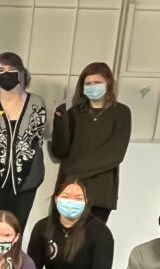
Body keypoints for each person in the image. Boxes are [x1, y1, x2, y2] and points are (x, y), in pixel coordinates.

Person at [51, 62, 131, 223]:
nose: (92, 87)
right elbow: (60, 151)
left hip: (101, 191)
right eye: (88, 83)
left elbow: (115, 154)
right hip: (69, 189)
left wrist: (74, 171)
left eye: (97, 82)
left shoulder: (121, 113)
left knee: (93, 240)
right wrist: (59, 123)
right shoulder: (73, 113)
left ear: (108, 83)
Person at [0, 52, 46, 233]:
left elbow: (37, 137)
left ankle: (12, 262)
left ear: (22, 72)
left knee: (15, 230)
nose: (6, 73)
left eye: (12, 69)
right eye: (1, 69)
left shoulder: (36, 103)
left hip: (26, 180)